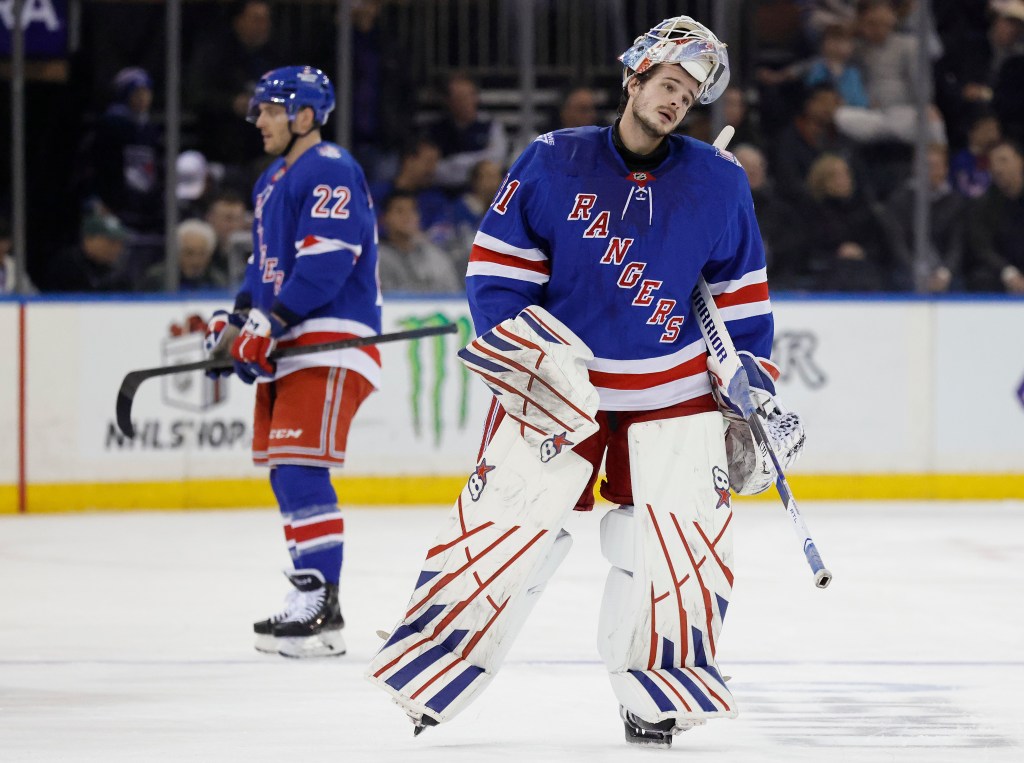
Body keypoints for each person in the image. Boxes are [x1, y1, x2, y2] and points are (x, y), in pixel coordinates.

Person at [367, 15, 805, 748]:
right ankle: (437, 667)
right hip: (563, 384)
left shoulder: (719, 182)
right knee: (510, 528)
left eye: (689, 95)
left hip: (671, 393)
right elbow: (498, 276)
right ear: (633, 79)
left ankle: (656, 692)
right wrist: (526, 354)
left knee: (665, 545)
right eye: (667, 84)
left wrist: (748, 382)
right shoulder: (550, 161)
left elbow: (742, 300)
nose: (675, 102)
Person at [203, 66, 381, 658]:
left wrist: (270, 323)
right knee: (286, 468)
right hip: (292, 339)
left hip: (328, 337)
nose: (260, 120)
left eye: (271, 110)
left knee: (301, 464)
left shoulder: (329, 165)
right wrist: (237, 323)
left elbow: (327, 263)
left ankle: (321, 599)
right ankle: (315, 602)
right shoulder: (269, 181)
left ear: (305, 115)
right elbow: (263, 270)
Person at [889, 143, 967, 292]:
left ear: (945, 169)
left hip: (946, 272)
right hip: (908, 271)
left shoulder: (956, 202)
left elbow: (956, 244)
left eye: (937, 166)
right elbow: (898, 243)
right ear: (916, 169)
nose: (932, 171)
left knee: (958, 287)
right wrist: (917, 272)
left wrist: (944, 272)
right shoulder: (900, 200)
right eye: (927, 166)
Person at [426, 72, 510, 189]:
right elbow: (433, 170)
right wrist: (476, 163)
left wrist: (457, 163)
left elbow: (496, 159)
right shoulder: (436, 130)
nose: (465, 102)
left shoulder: (490, 125)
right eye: (459, 97)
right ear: (448, 101)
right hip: (445, 191)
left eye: (469, 96)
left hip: (481, 189)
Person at [966, 139, 1024, 292]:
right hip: (1001, 270)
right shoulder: (983, 205)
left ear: (1020, 162)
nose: (998, 168)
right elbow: (982, 246)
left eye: (1003, 160)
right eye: (993, 163)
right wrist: (1008, 272)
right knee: (981, 277)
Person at [377, 191, 461, 293]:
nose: (407, 217)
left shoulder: (434, 255)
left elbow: (452, 293)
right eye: (400, 211)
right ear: (385, 218)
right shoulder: (377, 257)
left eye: (412, 211)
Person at [46, 212, 133, 293]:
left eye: (120, 243)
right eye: (111, 242)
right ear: (89, 240)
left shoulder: (119, 275)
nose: (118, 248)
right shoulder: (65, 266)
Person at [139, 219, 229, 292]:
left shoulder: (219, 281)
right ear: (177, 253)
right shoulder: (157, 279)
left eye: (202, 254)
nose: (196, 261)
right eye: (189, 253)